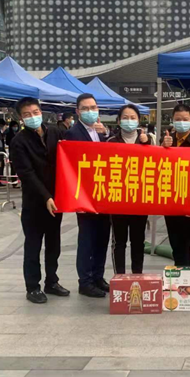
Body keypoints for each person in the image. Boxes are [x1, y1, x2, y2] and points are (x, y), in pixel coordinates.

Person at [9, 97, 70, 303]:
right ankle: (32, 287)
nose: (32, 117)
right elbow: (26, 173)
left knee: (54, 244)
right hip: (34, 202)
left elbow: (73, 150)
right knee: (33, 246)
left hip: (56, 201)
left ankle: (52, 281)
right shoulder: (18, 142)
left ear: (41, 112)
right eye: (27, 114)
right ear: (21, 118)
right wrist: (46, 197)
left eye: (35, 112)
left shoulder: (55, 132)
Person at [65, 93, 111, 298]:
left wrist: (106, 134)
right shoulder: (73, 133)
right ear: (77, 111)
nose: (90, 111)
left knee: (102, 237)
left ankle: (98, 276)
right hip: (84, 195)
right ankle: (84, 281)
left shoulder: (101, 131)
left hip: (103, 194)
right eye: (85, 108)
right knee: (87, 239)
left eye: (93, 107)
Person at [108, 105, 152, 274]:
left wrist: (147, 144)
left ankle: (137, 276)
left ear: (139, 120)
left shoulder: (147, 140)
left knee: (138, 241)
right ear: (119, 121)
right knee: (119, 242)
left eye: (133, 117)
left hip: (140, 200)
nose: (129, 121)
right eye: (125, 118)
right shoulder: (111, 142)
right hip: (118, 199)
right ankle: (119, 278)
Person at [162, 103, 190, 267]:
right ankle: (178, 271)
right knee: (175, 240)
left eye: (185, 119)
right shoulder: (167, 140)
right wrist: (163, 148)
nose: (181, 122)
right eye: (178, 119)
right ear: (173, 120)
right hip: (171, 199)